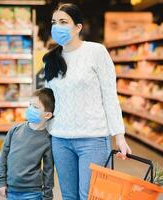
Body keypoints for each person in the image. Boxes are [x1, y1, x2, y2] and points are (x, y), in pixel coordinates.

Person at [43, 3, 132, 200]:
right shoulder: (51, 59)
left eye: (63, 22)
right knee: (69, 196)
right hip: (60, 139)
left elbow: (110, 95)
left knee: (90, 196)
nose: (57, 26)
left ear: (78, 27)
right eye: (54, 22)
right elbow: (49, 99)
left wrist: (119, 135)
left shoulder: (96, 52)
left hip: (92, 139)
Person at [0, 88, 55, 200]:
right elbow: (3, 157)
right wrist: (0, 182)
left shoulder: (47, 140)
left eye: (35, 107)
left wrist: (47, 196)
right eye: (30, 104)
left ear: (47, 115)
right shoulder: (14, 130)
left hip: (33, 192)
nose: (30, 109)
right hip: (11, 189)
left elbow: (48, 171)